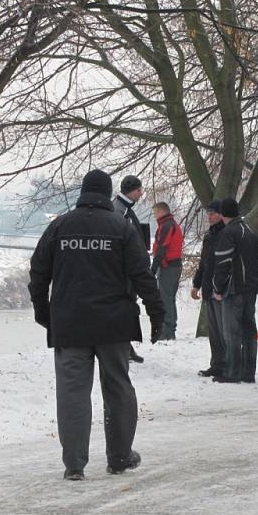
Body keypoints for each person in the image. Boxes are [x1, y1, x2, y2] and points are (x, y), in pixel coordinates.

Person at [28, 169, 165, 481]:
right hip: (114, 323)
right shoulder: (122, 226)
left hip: (69, 323)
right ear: (106, 195)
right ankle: (119, 457)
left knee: (72, 393)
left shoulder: (59, 226)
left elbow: (38, 273)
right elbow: (142, 274)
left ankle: (74, 464)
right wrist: (157, 313)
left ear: (83, 194)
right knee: (117, 387)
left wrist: (43, 312)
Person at [211, 198, 258, 383]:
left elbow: (223, 263)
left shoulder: (229, 232)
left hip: (234, 289)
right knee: (249, 330)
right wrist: (251, 271)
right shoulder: (250, 230)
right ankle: (248, 373)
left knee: (232, 331)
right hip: (251, 286)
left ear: (223, 214)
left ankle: (233, 372)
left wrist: (218, 287)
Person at [114, 174, 150, 363]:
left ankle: (126, 346)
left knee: (128, 306)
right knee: (126, 306)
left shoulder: (124, 207)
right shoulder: (121, 210)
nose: (141, 193)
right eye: (140, 190)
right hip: (125, 269)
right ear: (135, 190)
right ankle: (123, 346)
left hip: (128, 267)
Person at [190, 200, 226, 378]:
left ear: (221, 214)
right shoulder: (209, 235)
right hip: (207, 287)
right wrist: (196, 284)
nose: (209, 217)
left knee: (222, 329)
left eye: (212, 213)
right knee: (214, 330)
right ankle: (217, 363)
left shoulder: (226, 234)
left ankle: (226, 364)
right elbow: (204, 263)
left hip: (220, 289)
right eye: (208, 214)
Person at [151, 201, 184, 340]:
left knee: (165, 298)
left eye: (155, 213)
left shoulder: (167, 226)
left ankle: (167, 331)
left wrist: (153, 268)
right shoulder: (171, 224)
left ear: (161, 212)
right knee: (169, 298)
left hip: (169, 266)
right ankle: (168, 329)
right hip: (172, 265)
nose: (154, 216)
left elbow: (162, 248)